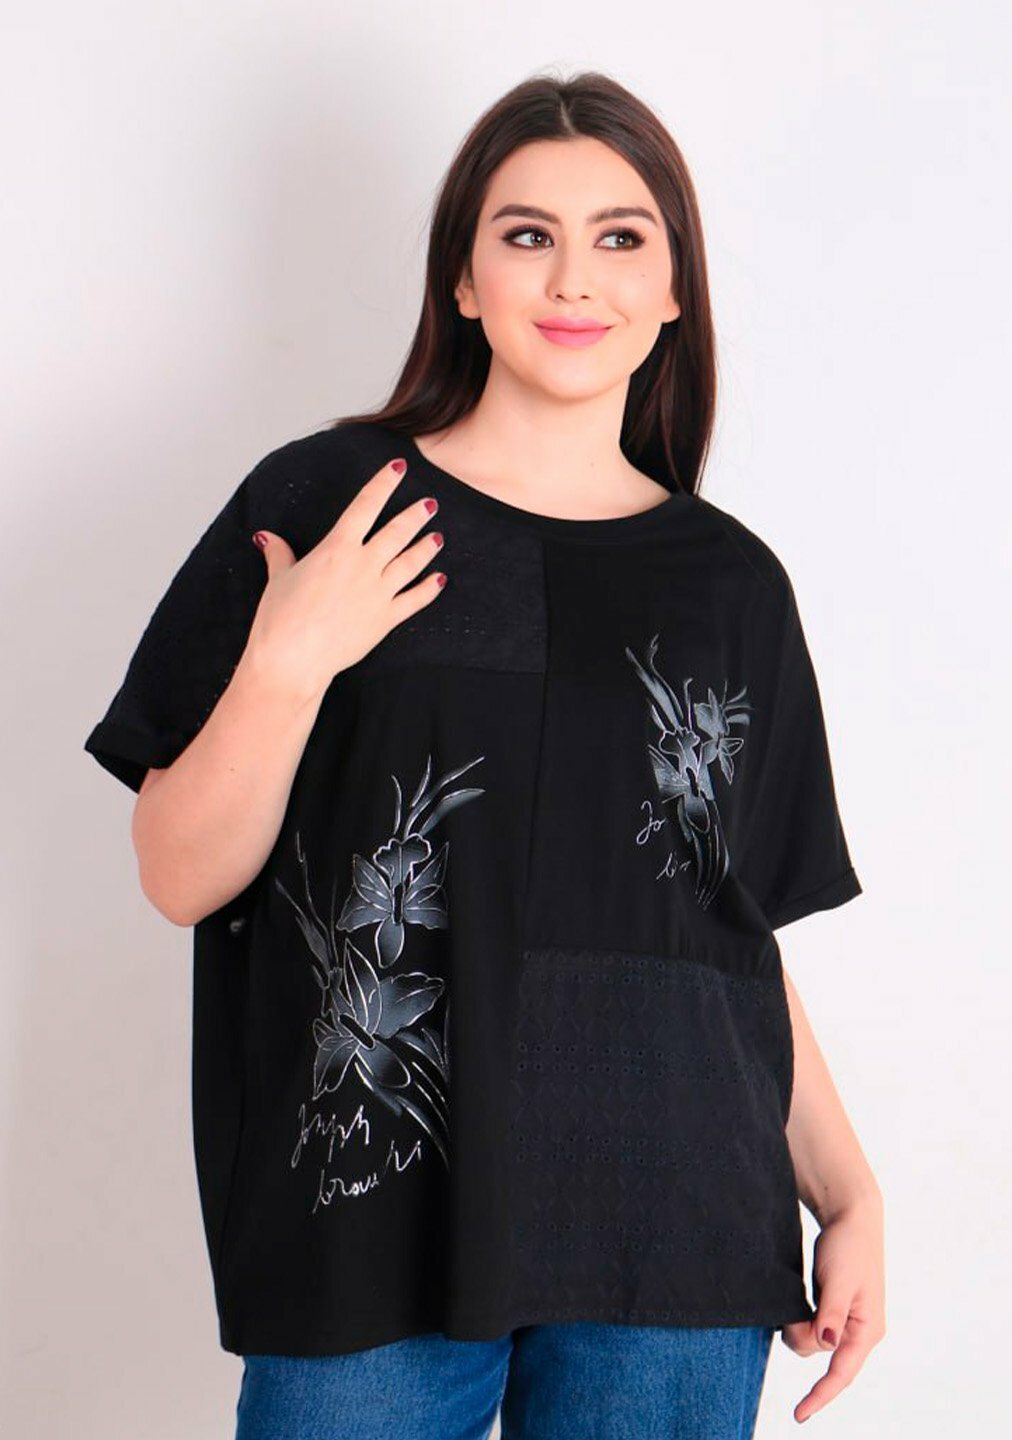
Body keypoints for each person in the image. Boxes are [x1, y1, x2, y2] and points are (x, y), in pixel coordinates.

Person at [84, 69, 885, 1440]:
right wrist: (289, 658)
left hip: (675, 1229)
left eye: (621, 236)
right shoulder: (333, 501)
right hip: (376, 1228)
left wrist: (850, 1192)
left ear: (674, 289)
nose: (574, 277)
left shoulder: (729, 583)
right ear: (464, 278)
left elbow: (721, 937)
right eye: (528, 234)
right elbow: (177, 873)